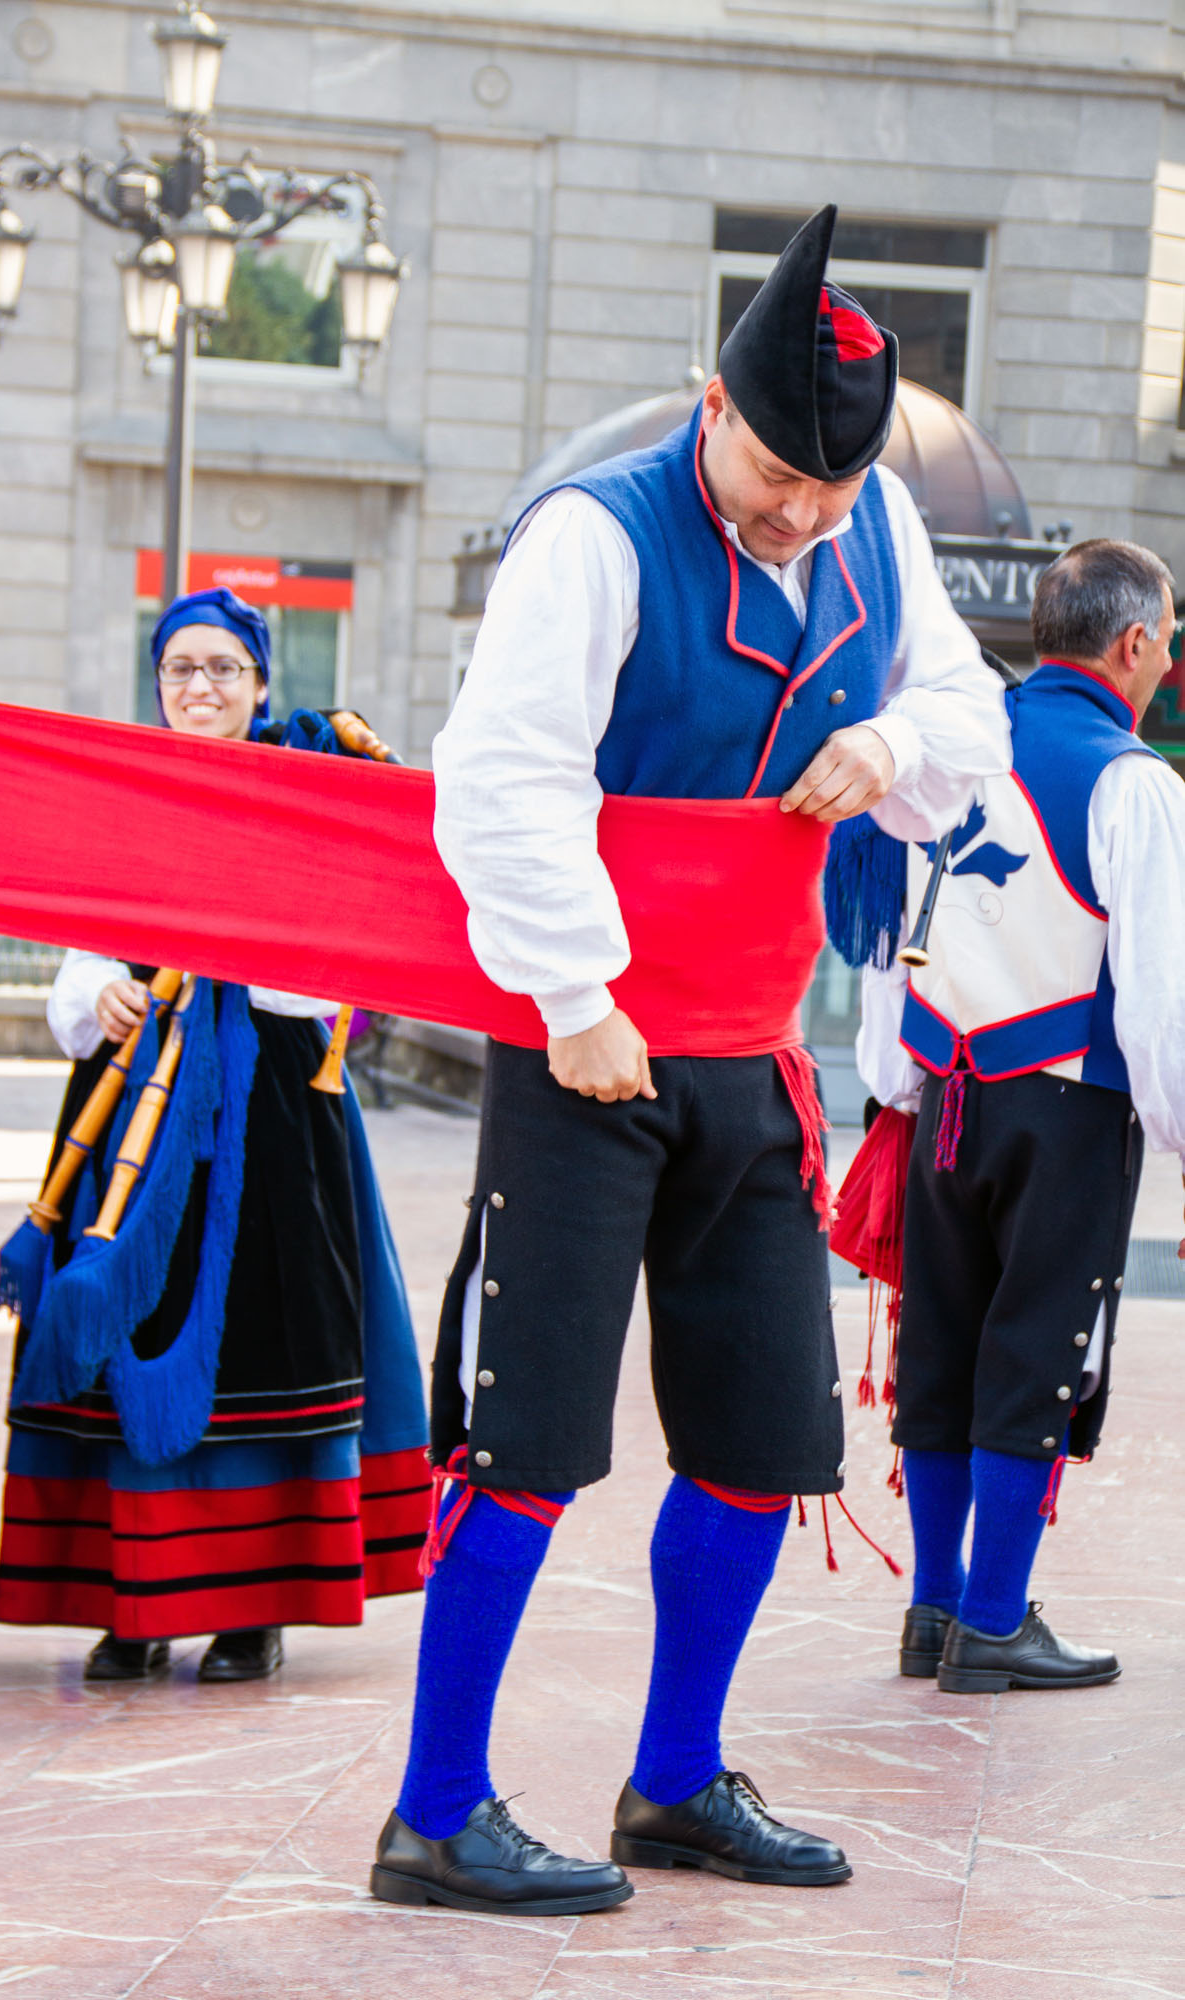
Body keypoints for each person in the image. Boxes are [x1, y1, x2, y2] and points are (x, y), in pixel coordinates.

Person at [367, 205, 1011, 1918]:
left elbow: (969, 719)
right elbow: (498, 776)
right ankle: (434, 1810)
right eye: (779, 475)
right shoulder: (594, 534)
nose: (802, 512)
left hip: (749, 1051)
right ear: (706, 405)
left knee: (754, 1441)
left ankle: (670, 1782)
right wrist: (574, 996)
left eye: (828, 486)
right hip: (578, 1053)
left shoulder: (873, 527)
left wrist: (881, 738)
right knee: (524, 1452)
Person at [0, 586, 430, 1682]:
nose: (202, 687)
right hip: (130, 1103)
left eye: (225, 668)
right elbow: (77, 939)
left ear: (262, 682)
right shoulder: (121, 792)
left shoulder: (304, 786)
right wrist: (97, 992)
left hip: (270, 1099)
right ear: (157, 683)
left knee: (263, 1341)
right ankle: (131, 1603)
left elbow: (344, 952)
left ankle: (252, 1608)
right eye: (182, 668)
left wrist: (243, 954)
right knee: (117, 1337)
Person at [855, 538, 1185, 1693]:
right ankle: (991, 1619)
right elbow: (1160, 997)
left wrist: (897, 1083)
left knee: (940, 1341)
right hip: (1068, 1104)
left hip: (945, 1089)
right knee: (1035, 1348)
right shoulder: (1133, 779)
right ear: (1133, 641)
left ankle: (932, 1609)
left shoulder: (955, 749)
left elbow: (893, 941)